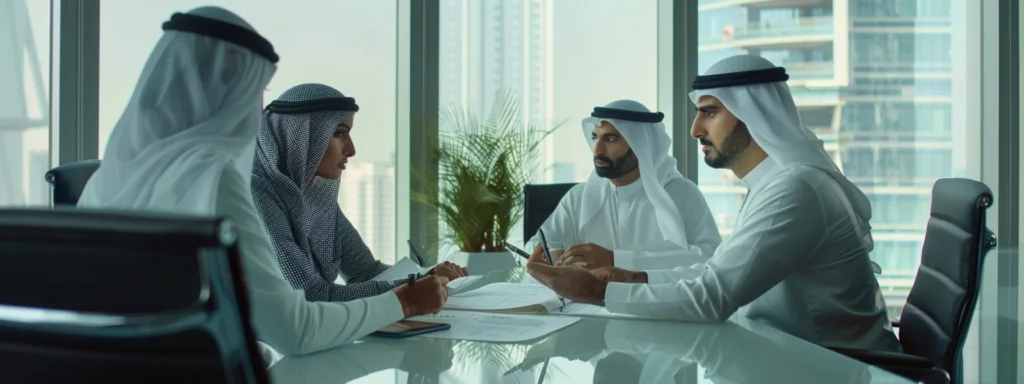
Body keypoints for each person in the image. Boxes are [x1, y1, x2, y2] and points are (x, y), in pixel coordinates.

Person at [77, 7, 448, 356]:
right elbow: (294, 330)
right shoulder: (216, 180)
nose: (258, 112)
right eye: (257, 92)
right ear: (230, 92)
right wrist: (403, 301)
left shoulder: (101, 183)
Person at [526, 55, 900, 352]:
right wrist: (635, 277)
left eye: (710, 112)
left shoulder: (794, 189)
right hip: (785, 353)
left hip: (837, 366)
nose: (695, 130)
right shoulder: (774, 185)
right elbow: (715, 272)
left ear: (754, 114)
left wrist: (595, 291)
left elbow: (710, 298)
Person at [251, 83, 468, 303]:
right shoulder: (258, 194)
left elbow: (367, 272)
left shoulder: (316, 198)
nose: (351, 150)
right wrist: (423, 282)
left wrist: (429, 275)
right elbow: (311, 296)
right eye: (339, 134)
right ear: (300, 136)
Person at [526, 100, 721, 271]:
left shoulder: (680, 193)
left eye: (611, 139)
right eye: (595, 137)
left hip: (657, 307)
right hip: (585, 305)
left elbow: (709, 257)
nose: (598, 150)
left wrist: (615, 259)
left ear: (641, 145)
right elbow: (538, 242)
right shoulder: (579, 196)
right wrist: (556, 258)